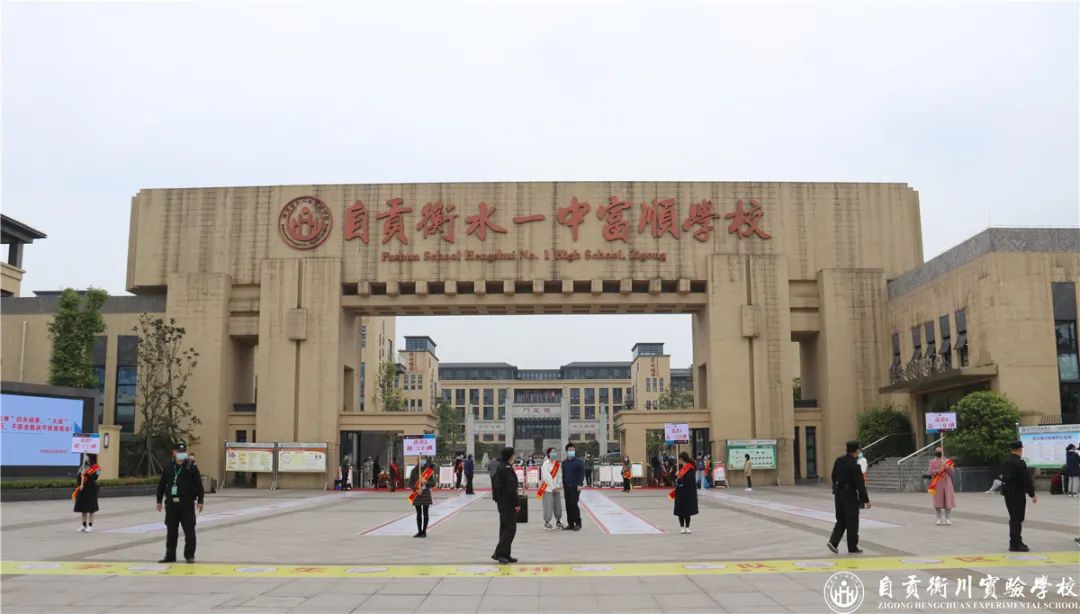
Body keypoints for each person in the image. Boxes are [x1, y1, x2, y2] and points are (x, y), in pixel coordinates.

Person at [155, 442, 205, 563]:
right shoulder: (168, 467)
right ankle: (170, 556)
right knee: (171, 531)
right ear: (174, 452)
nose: (181, 454)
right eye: (179, 452)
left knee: (189, 530)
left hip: (186, 502)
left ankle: (189, 555)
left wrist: (200, 500)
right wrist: (159, 500)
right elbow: (162, 485)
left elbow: (198, 485)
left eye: (183, 452)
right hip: (171, 503)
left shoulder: (191, 467)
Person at [827, 440, 870, 555]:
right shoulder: (854, 465)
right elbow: (860, 484)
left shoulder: (839, 461)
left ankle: (833, 542)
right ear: (856, 450)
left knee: (841, 519)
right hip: (849, 495)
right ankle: (852, 547)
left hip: (838, 493)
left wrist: (836, 486)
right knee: (852, 521)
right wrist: (866, 500)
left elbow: (833, 475)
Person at [1002, 440, 1037, 552]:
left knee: (1014, 517)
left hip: (1008, 494)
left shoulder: (1006, 462)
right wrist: (1032, 494)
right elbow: (1026, 479)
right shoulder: (1019, 463)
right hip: (1017, 494)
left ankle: (1016, 541)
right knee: (1017, 518)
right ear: (1020, 449)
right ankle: (1015, 544)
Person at [491, 446, 520, 564]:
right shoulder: (505, 469)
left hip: (503, 502)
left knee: (505, 528)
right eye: (514, 454)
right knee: (510, 528)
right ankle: (498, 553)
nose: (515, 456)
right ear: (510, 455)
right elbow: (510, 488)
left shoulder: (503, 466)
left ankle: (505, 554)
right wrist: (516, 503)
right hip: (507, 502)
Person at [73, 453, 102, 532]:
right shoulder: (83, 466)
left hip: (91, 490)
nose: (85, 457)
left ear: (90, 457)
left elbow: (94, 478)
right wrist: (80, 484)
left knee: (91, 508)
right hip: (83, 489)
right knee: (83, 508)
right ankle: (83, 525)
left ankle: (90, 526)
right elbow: (78, 477)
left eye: (86, 456)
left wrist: (86, 473)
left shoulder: (97, 468)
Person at [928, 446, 956, 525]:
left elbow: (952, 473)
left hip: (947, 483)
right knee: (938, 501)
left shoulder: (948, 461)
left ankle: (948, 519)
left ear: (942, 452)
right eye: (937, 451)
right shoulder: (932, 462)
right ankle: (938, 518)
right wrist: (939, 470)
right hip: (937, 483)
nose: (938, 452)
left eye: (940, 451)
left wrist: (946, 467)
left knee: (948, 500)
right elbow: (930, 472)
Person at [539, 447, 565, 530]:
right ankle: (547, 522)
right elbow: (547, 477)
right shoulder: (545, 464)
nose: (554, 453)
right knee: (548, 506)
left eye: (555, 451)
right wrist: (553, 487)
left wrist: (558, 485)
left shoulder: (557, 464)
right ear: (549, 454)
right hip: (548, 489)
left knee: (558, 506)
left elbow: (560, 475)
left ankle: (558, 521)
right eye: (553, 452)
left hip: (556, 489)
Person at [562, 443, 586, 530]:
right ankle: (570, 524)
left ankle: (578, 523)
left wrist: (580, 484)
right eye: (570, 450)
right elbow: (563, 474)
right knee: (568, 505)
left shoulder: (579, 462)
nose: (571, 451)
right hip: (566, 486)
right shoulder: (564, 463)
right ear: (566, 451)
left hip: (575, 486)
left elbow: (582, 474)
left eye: (573, 450)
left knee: (573, 504)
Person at [673, 451, 699, 533]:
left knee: (687, 509)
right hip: (680, 492)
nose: (678, 461)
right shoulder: (681, 468)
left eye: (679, 459)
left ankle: (687, 526)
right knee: (680, 509)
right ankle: (682, 526)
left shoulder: (690, 468)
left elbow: (688, 479)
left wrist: (679, 478)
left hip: (688, 492)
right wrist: (676, 475)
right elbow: (676, 479)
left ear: (681, 459)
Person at [409, 456, 434, 538]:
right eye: (420, 459)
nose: (422, 461)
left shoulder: (428, 471)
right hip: (417, 494)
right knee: (418, 513)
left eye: (424, 460)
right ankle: (419, 531)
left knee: (425, 513)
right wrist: (416, 489)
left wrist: (426, 481)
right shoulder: (414, 471)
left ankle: (424, 531)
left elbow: (433, 483)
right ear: (417, 461)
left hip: (426, 493)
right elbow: (410, 483)